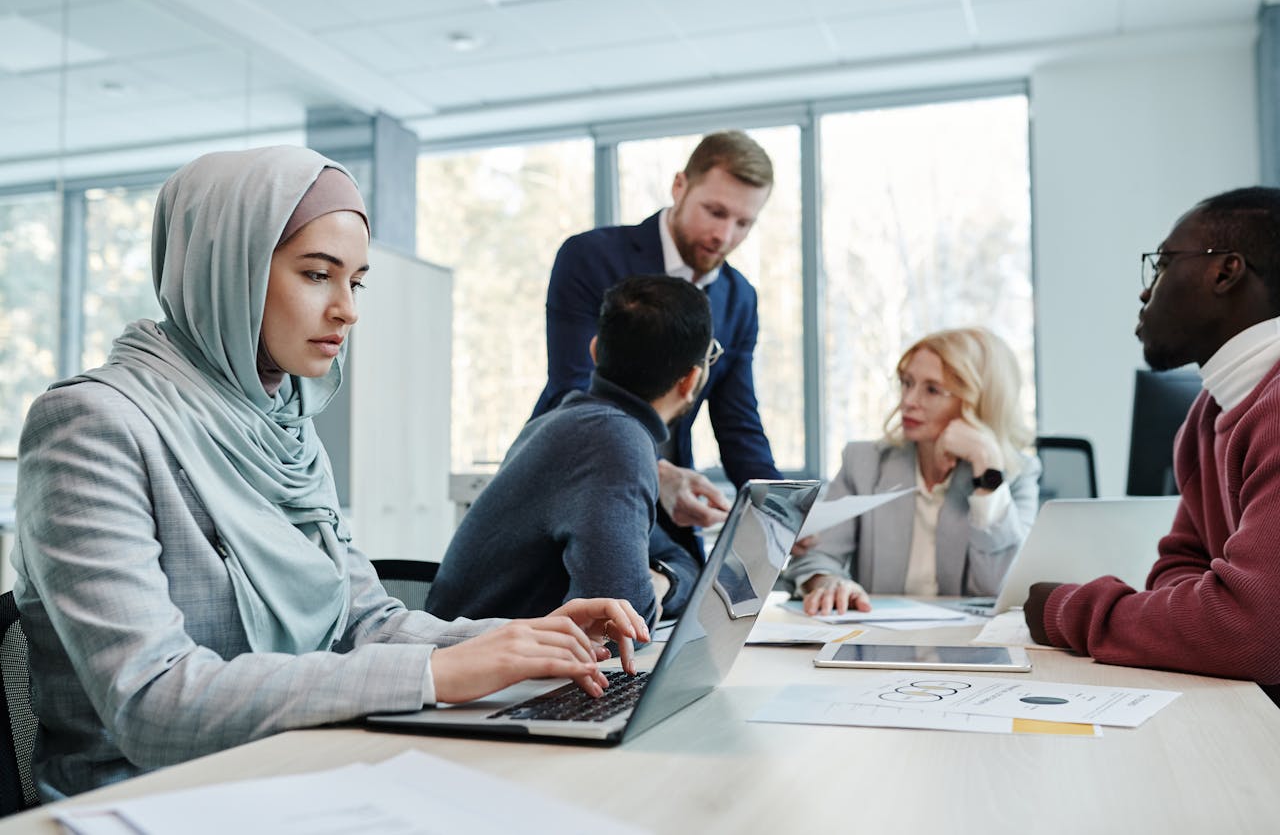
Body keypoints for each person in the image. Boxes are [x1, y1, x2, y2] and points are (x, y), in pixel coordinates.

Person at [11, 145, 648, 800]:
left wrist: (529, 639)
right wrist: (434, 674)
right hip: (149, 801)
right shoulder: (91, 424)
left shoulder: (285, 424)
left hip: (302, 770)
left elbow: (364, 620)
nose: (348, 309)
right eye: (318, 274)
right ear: (228, 269)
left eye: (356, 280)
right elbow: (151, 700)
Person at [1024, 187, 1280, 704]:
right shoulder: (1208, 414)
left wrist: (1069, 611)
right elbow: (1179, 564)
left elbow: (1252, 630)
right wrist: (1200, 616)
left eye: (1160, 265)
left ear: (1225, 272)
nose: (1146, 293)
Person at [530, 130, 781, 568]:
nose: (724, 235)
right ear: (679, 186)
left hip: (668, 510)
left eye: (744, 223)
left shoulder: (740, 298)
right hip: (574, 482)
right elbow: (573, 389)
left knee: (686, 609)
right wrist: (652, 472)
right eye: (715, 211)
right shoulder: (591, 256)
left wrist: (780, 512)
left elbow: (738, 421)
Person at [427, 275, 714, 626]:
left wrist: (663, 582)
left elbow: (671, 557)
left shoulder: (571, 423)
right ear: (690, 381)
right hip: (488, 672)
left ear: (594, 351)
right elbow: (621, 624)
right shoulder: (613, 439)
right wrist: (660, 585)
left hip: (492, 661)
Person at [784, 327, 1040, 615]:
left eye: (931, 389)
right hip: (878, 641)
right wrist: (829, 582)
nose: (908, 401)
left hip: (968, 646)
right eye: (907, 383)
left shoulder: (1018, 475)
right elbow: (815, 557)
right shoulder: (865, 463)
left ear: (978, 401)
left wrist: (988, 472)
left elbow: (999, 588)